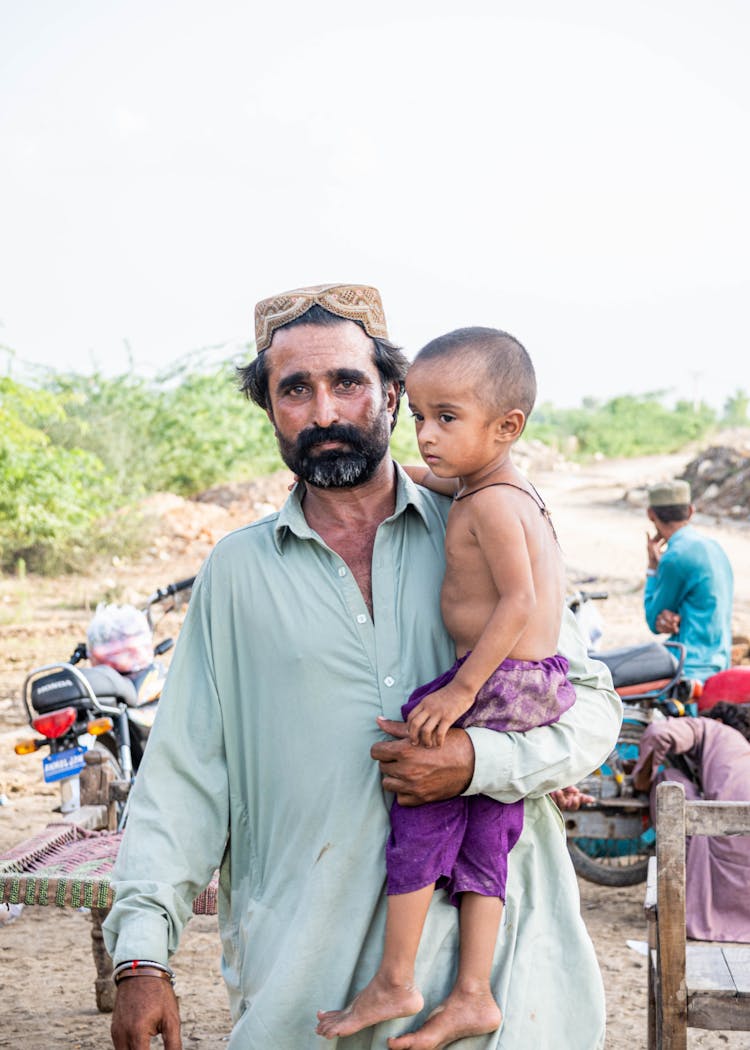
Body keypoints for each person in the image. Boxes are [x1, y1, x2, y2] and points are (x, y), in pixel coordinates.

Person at [103, 282, 621, 1050]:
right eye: (294, 390)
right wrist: (141, 955)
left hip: (505, 997)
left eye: (346, 382)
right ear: (269, 409)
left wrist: (478, 758)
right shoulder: (237, 572)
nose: (324, 413)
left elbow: (591, 709)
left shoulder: (482, 519)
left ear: (389, 391)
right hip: (308, 1000)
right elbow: (180, 778)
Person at [316, 327, 575, 1047]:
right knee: (489, 833)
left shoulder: (491, 506)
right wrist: (412, 475)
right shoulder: (500, 487)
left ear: (507, 427)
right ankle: (472, 993)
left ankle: (396, 978)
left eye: (447, 419)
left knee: (421, 800)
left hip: (496, 679)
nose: (426, 435)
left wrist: (460, 691)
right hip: (534, 686)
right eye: (419, 416)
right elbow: (444, 478)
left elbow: (518, 603)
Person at [632, 701, 750, 942]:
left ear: (717, 720)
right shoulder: (742, 752)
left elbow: (659, 733)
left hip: (725, 850)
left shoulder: (713, 729)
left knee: (670, 780)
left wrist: (642, 779)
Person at [644, 479, 734, 682]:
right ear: (691, 511)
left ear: (651, 514)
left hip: (690, 666)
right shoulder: (714, 547)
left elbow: (653, 620)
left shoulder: (674, 557)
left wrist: (652, 569)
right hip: (720, 659)